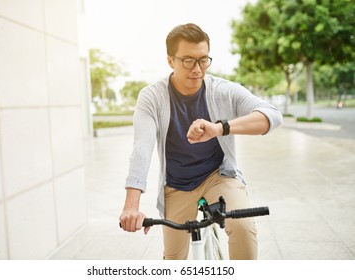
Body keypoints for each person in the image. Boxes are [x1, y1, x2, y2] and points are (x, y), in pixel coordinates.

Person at [119, 23, 283, 260]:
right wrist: (131, 206)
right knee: (173, 260)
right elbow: (141, 149)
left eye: (203, 60)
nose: (197, 69)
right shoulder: (151, 97)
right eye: (188, 61)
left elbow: (272, 115)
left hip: (218, 176)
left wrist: (219, 128)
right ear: (170, 61)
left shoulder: (223, 90)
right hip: (176, 183)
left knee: (243, 227)